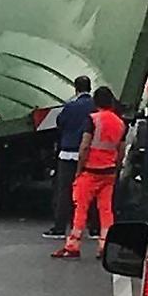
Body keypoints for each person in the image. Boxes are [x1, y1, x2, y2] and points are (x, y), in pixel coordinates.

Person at [53, 85, 126, 260]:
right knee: (106, 210)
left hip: (91, 170)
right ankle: (104, 246)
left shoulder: (93, 120)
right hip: (108, 172)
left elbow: (85, 146)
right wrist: (116, 167)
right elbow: (121, 149)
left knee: (81, 208)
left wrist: (79, 169)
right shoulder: (120, 122)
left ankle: (73, 245)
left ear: (96, 102)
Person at [42, 76, 95, 240]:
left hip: (68, 152)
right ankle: (93, 228)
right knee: (89, 191)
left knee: (64, 191)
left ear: (76, 88)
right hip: (88, 153)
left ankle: (59, 227)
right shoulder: (95, 107)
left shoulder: (70, 106)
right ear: (90, 88)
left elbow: (60, 123)